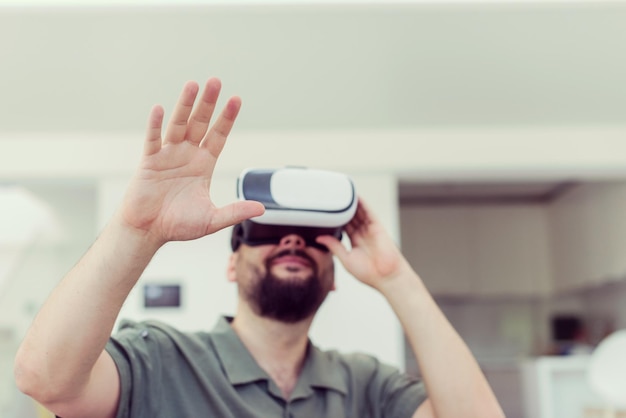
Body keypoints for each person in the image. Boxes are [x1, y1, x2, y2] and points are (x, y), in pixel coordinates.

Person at [14, 77, 504, 418]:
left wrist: (398, 280)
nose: (292, 239)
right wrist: (136, 230)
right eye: (268, 232)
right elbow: (46, 380)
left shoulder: (367, 385)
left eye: (314, 237)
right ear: (232, 264)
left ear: (334, 276)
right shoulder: (161, 360)